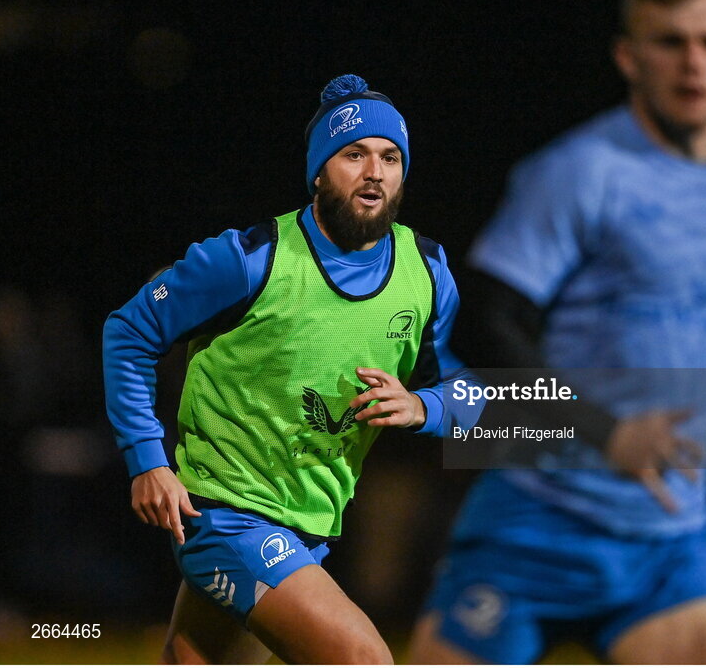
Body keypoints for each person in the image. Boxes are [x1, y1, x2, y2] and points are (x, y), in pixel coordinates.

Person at [409, 0, 706, 665]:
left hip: (667, 542)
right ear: (629, 56)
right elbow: (486, 328)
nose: (693, 63)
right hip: (534, 523)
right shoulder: (578, 174)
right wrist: (606, 432)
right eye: (669, 41)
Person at [103, 74, 466, 664]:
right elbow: (129, 330)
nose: (375, 171)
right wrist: (147, 459)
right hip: (225, 516)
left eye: (390, 157)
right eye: (354, 154)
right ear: (320, 172)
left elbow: (465, 392)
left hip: (310, 525)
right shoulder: (250, 260)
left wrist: (426, 406)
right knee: (362, 659)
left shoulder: (426, 274)